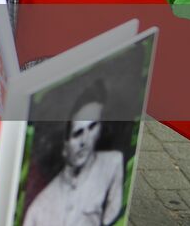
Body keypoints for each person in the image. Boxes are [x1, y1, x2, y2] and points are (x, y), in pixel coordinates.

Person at [22, 84, 125, 226]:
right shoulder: (38, 209)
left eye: (93, 126)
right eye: (77, 133)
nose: (86, 140)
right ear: (64, 144)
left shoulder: (113, 162)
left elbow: (114, 211)